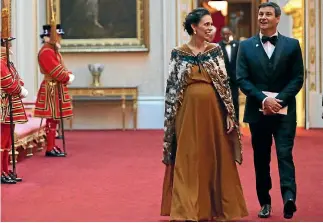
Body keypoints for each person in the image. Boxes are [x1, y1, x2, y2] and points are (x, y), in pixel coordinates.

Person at [160, 8, 248, 222]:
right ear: (194, 27)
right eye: (206, 24)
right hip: (186, 113)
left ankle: (213, 207)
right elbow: (171, 88)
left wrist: (229, 113)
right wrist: (170, 120)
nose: (211, 28)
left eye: (211, 24)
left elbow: (224, 84)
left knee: (212, 156)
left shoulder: (215, 51)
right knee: (188, 157)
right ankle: (186, 210)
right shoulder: (178, 53)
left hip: (213, 114)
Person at [236, 2, 304, 219]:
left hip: (285, 113)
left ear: (277, 18)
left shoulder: (292, 45)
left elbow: (297, 78)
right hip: (258, 112)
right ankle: (264, 202)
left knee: (285, 154)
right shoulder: (245, 46)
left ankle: (289, 198)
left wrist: (280, 101)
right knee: (261, 159)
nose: (263, 17)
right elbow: (242, 79)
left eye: (268, 14)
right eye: (260, 14)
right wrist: (264, 100)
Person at [34, 22, 75, 157]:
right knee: (51, 117)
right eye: (58, 36)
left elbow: (60, 68)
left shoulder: (53, 51)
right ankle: (50, 147)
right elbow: (56, 71)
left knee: (55, 118)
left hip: (55, 87)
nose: (60, 38)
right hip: (51, 87)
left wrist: (67, 74)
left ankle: (52, 145)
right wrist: (67, 76)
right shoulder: (46, 52)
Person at [1, 32, 28, 183]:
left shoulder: (6, 61)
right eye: (7, 43)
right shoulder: (1, 61)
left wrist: (19, 84)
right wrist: (19, 89)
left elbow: (15, 78)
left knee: (7, 140)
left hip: (9, 103)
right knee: (2, 140)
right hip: (3, 104)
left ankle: (4, 169)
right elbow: (7, 82)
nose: (10, 45)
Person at [218, 26, 240, 121]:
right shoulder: (217, 47)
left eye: (228, 34)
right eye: (224, 34)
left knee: (235, 102)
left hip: (235, 79)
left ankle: (236, 125)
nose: (226, 36)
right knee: (223, 103)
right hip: (222, 80)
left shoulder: (237, 45)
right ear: (221, 35)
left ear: (231, 34)